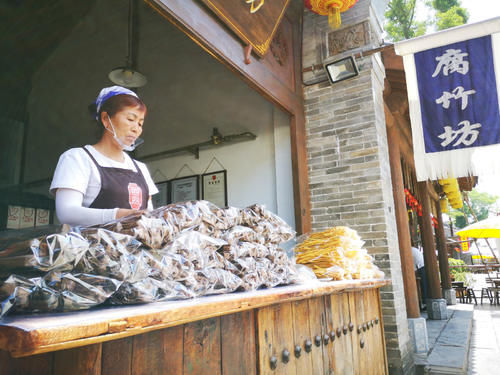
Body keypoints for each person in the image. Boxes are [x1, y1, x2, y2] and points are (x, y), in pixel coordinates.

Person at [50, 86, 158, 227]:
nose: (136, 128)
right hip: (92, 247)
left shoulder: (140, 168)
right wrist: (119, 215)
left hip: (136, 248)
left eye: (140, 123)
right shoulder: (78, 158)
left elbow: (149, 216)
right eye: (131, 119)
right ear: (106, 119)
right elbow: (67, 213)